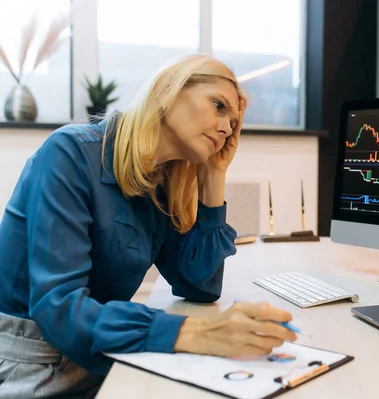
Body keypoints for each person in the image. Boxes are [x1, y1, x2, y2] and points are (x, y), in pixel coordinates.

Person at [0, 54, 297, 398]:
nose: (228, 128)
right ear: (167, 91)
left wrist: (214, 175)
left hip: (97, 350)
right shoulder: (70, 153)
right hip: (32, 363)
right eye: (218, 106)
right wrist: (196, 333)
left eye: (233, 122)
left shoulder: (158, 183)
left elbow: (199, 285)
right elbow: (58, 309)